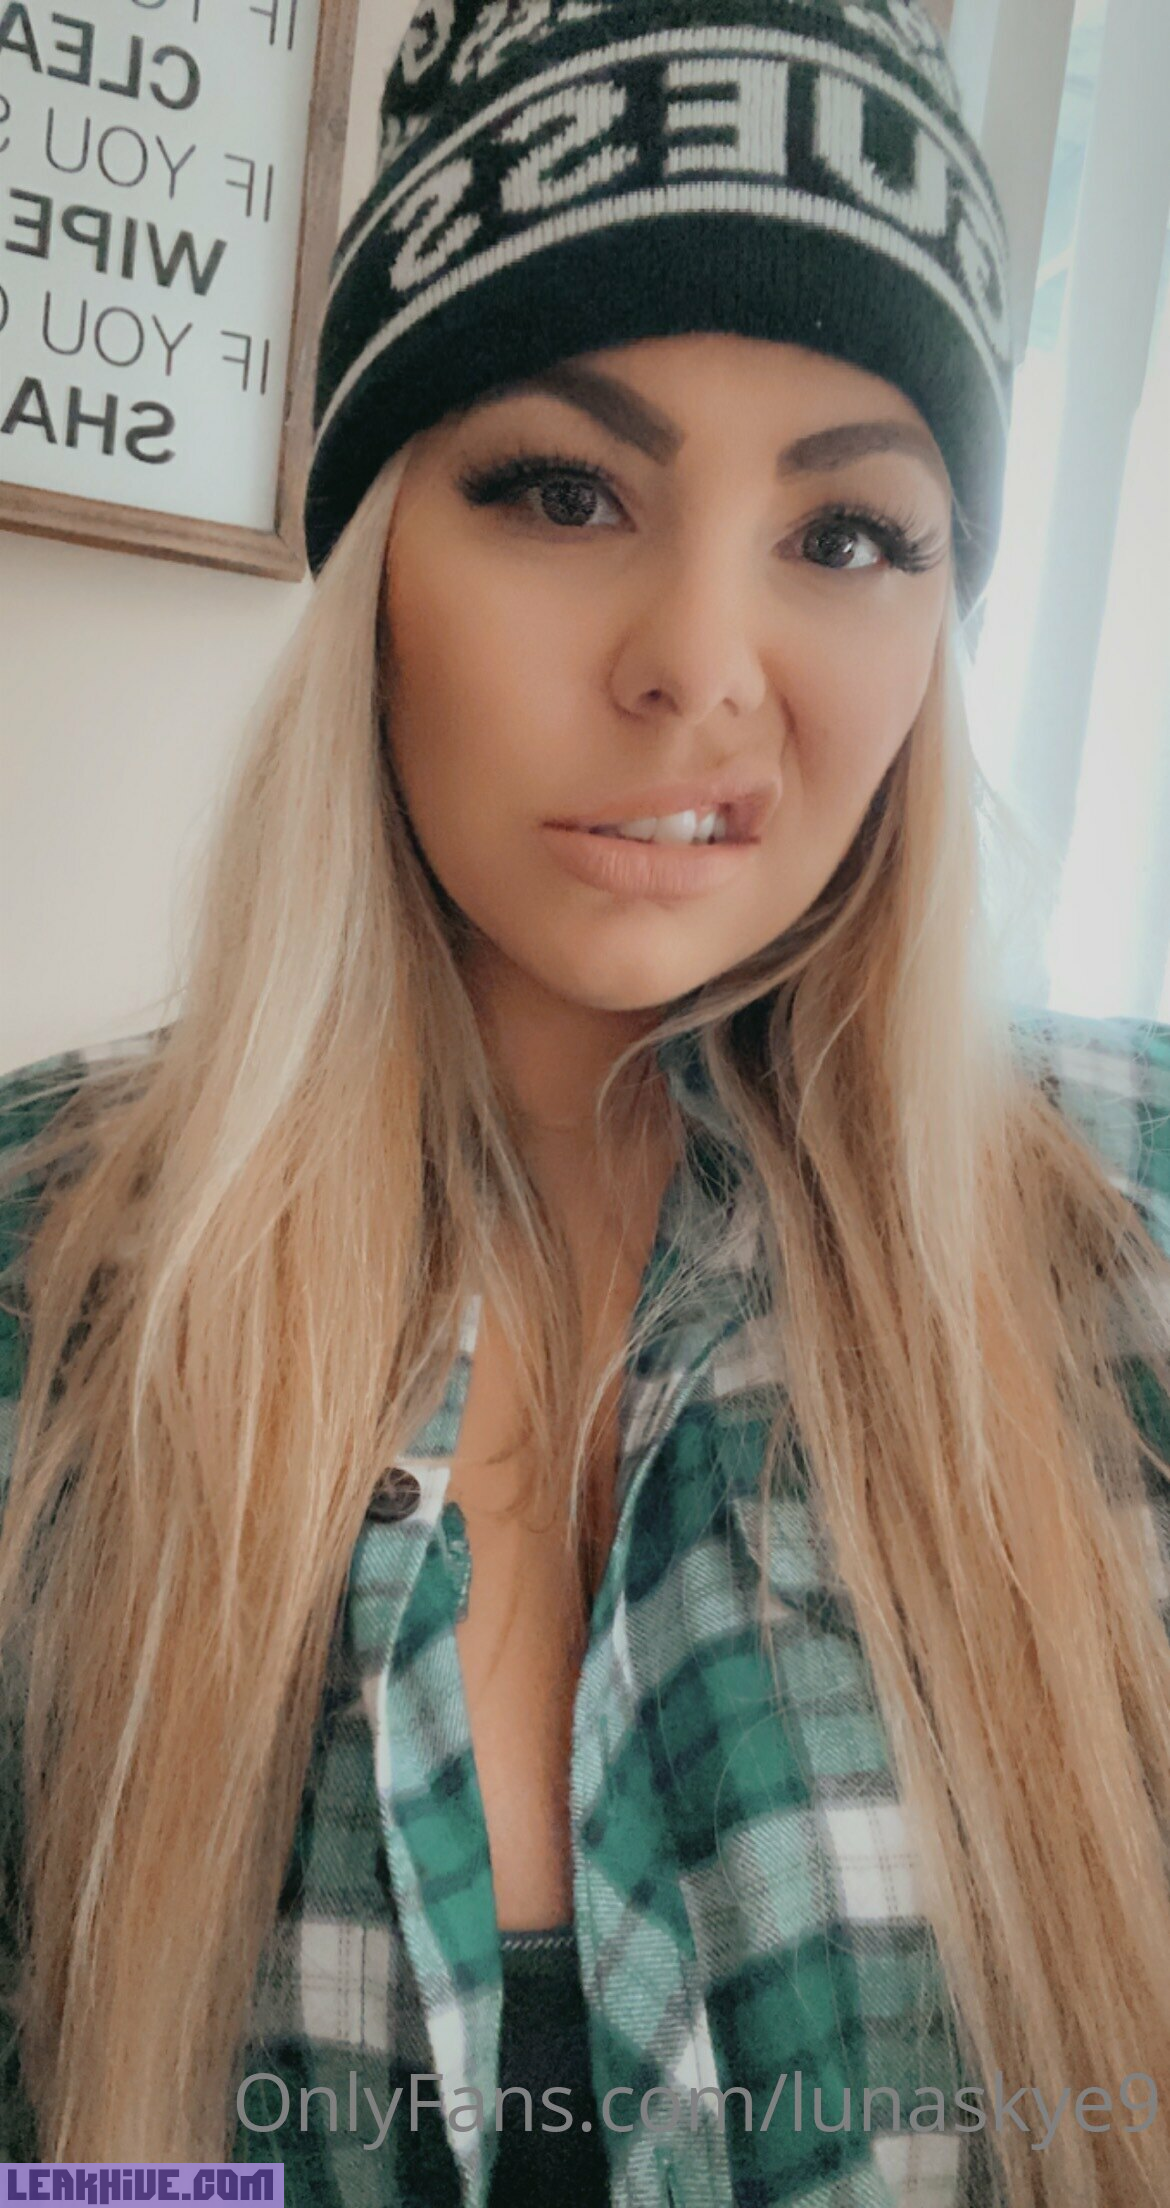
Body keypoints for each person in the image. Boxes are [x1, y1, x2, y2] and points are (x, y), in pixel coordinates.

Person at [2, 0, 1170, 2203]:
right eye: (562, 491)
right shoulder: (41, 1285)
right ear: (377, 566)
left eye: (850, 533)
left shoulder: (1129, 1245)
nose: (698, 667)